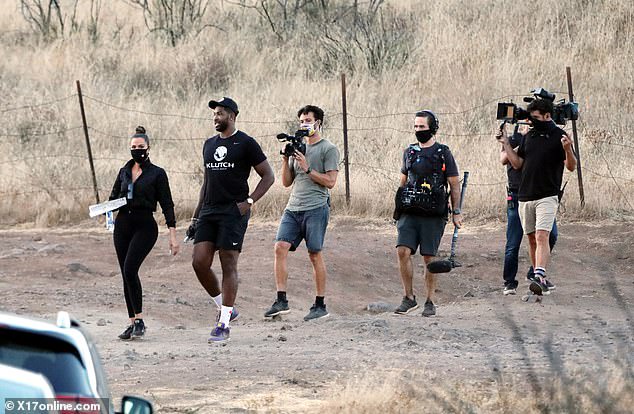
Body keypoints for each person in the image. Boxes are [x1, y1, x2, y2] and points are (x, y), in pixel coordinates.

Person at [190, 97, 274, 342]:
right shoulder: (208, 144)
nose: (216, 118)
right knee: (199, 262)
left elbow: (268, 176)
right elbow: (206, 182)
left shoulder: (246, 143)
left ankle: (223, 323)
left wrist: (248, 202)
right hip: (209, 211)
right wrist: (196, 216)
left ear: (232, 116)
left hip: (233, 211)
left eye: (220, 114)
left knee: (228, 263)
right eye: (214, 114)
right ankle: (225, 307)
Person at [264, 105, 340, 321]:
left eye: (308, 120)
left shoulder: (329, 149)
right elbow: (287, 182)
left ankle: (320, 304)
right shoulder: (298, 147)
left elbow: (331, 182)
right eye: (301, 121)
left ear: (319, 123)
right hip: (293, 207)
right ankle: (281, 300)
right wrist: (285, 159)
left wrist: (307, 167)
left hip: (316, 206)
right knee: (280, 247)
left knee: (314, 253)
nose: (304, 124)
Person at [498, 98, 577, 295]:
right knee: (532, 239)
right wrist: (506, 143)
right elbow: (517, 164)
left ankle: (539, 275)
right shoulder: (529, 136)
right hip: (525, 196)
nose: (531, 121)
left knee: (543, 235)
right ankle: (539, 277)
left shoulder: (560, 135)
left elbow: (572, 166)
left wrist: (567, 149)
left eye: (535, 118)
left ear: (547, 116)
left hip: (547, 195)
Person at [109, 126, 180, 341]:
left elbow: (167, 204)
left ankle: (140, 320)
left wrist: (172, 234)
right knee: (125, 273)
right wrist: (104, 210)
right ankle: (132, 322)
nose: (137, 150)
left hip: (145, 226)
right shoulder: (124, 170)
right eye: (133, 147)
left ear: (148, 148)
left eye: (140, 147)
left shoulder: (157, 173)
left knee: (131, 268)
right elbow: (112, 197)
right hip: (123, 225)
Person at [393, 110, 462, 317]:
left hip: (433, 212)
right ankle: (409, 297)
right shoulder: (410, 152)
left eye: (422, 127)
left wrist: (456, 211)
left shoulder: (443, 153)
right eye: (415, 127)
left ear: (432, 128)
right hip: (410, 210)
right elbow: (403, 181)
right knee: (402, 251)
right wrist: (398, 208)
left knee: (428, 257)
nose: (418, 130)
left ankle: (430, 301)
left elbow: (454, 184)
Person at [500, 123, 558, 295]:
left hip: (540, 194)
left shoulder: (544, 139)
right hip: (518, 194)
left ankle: (536, 273)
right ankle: (510, 282)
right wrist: (521, 140)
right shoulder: (516, 138)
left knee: (550, 235)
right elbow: (503, 159)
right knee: (513, 241)